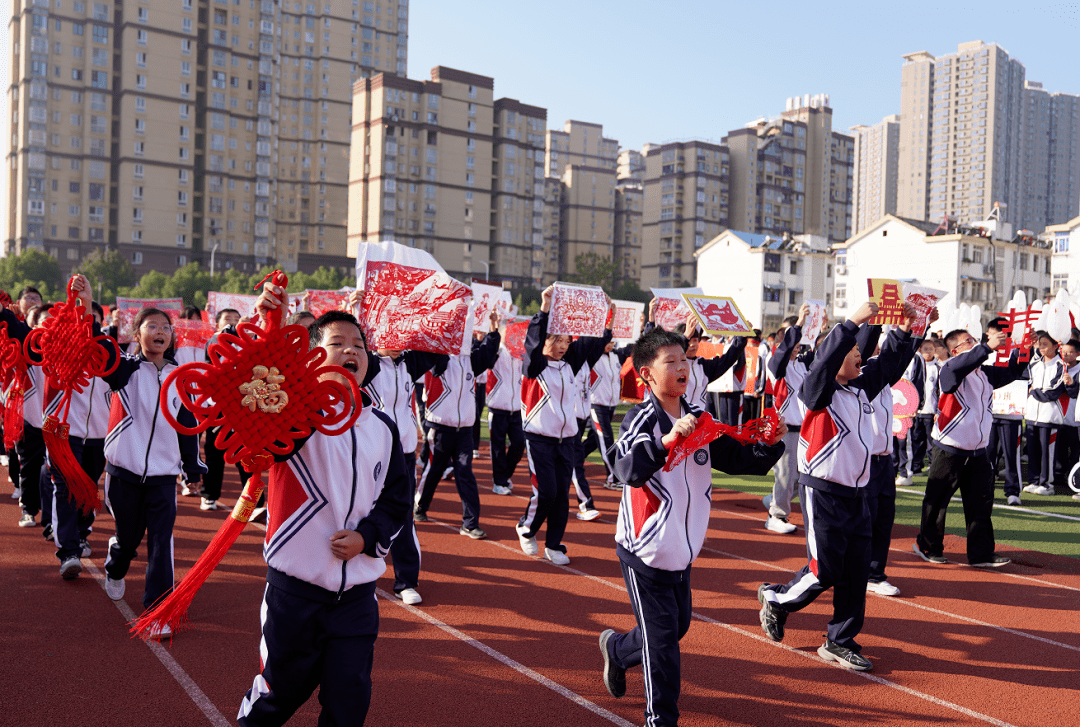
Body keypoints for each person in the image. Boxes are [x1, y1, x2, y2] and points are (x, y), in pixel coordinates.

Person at [238, 282, 410, 726]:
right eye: (336, 343)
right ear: (312, 357)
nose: (351, 349)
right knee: (278, 695)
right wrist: (265, 325)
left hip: (356, 597)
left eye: (358, 344)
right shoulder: (292, 412)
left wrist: (367, 538)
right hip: (295, 592)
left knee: (349, 701)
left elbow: (396, 500)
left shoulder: (383, 427)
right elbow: (252, 394)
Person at [599, 326, 785, 727]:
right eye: (672, 362)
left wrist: (770, 444)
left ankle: (617, 651)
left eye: (685, 359)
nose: (683, 367)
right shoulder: (640, 419)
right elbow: (622, 468)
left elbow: (738, 460)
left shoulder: (699, 418)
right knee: (663, 643)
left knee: (674, 628)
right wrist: (664, 442)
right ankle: (660, 720)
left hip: (682, 551)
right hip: (644, 551)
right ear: (647, 374)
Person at [758, 301, 916, 672]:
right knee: (824, 569)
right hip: (823, 491)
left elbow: (890, 364)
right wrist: (851, 323)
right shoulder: (817, 391)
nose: (861, 356)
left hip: (857, 494)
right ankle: (778, 600)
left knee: (857, 571)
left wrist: (907, 328)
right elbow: (824, 362)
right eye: (854, 351)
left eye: (861, 351)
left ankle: (840, 640)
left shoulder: (861, 390)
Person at [97, 305, 207, 631]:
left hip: (163, 476)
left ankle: (158, 611)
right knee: (128, 539)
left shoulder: (181, 376)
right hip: (123, 473)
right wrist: (87, 313)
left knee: (161, 541)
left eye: (165, 327)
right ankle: (116, 563)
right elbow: (102, 357)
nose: (160, 332)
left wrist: (192, 469)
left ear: (172, 336)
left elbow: (187, 427)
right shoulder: (124, 370)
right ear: (137, 334)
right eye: (152, 326)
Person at [913, 325, 1026, 567]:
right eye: (968, 342)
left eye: (974, 340)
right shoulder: (949, 369)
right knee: (937, 502)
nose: (974, 343)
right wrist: (985, 347)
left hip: (978, 452)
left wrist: (1023, 347)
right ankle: (927, 545)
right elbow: (957, 370)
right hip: (950, 449)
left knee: (980, 506)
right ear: (955, 351)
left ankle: (981, 554)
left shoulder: (984, 373)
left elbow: (1014, 371)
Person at [517, 286, 612, 565]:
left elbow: (594, 341)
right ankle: (527, 526)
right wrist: (545, 309)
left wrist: (601, 312)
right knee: (545, 491)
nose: (561, 346)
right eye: (555, 339)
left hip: (567, 439)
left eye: (566, 340)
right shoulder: (533, 365)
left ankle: (554, 544)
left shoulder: (570, 364)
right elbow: (533, 342)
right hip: (539, 439)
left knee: (561, 495)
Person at [361, 334, 441, 607]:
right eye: (390, 334)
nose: (397, 341)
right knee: (361, 514)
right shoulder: (368, 363)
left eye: (401, 334)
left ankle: (406, 581)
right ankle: (358, 580)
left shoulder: (409, 362)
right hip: (371, 452)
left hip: (404, 454)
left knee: (404, 516)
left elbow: (437, 346)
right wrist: (359, 312)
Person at [413, 312, 500, 539]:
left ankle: (470, 523)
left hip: (464, 430)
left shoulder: (470, 359)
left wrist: (493, 331)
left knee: (465, 472)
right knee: (433, 470)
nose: (461, 335)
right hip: (440, 426)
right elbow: (431, 346)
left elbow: (488, 352)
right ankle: (420, 506)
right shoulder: (439, 358)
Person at [763, 305, 816, 534]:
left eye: (797, 343)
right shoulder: (776, 364)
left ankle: (776, 498)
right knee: (786, 473)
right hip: (785, 429)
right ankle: (776, 515)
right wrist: (800, 323)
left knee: (803, 476)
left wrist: (818, 328)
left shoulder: (802, 364)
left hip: (805, 429)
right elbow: (783, 353)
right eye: (790, 343)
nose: (795, 347)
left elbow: (822, 353)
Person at [195, 307, 246, 510]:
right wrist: (231, 329)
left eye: (236, 319)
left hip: (243, 408)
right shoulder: (213, 340)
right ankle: (209, 495)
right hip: (218, 407)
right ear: (217, 324)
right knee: (214, 453)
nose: (233, 322)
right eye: (227, 319)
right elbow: (220, 341)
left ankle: (253, 501)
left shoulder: (246, 342)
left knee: (245, 454)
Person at [1022, 332, 1072, 497]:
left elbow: (1052, 393)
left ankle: (1047, 483)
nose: (1041, 347)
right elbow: (1025, 381)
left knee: (1047, 452)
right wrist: (1033, 391)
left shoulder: (1060, 365)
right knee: (1033, 450)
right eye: (1040, 344)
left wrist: (1034, 392)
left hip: (1049, 416)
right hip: (1031, 414)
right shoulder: (1034, 363)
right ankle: (1034, 480)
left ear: (1056, 346)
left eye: (1045, 344)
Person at [583, 339, 633, 490]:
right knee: (606, 439)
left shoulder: (616, 356)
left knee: (593, 440)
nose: (610, 345)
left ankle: (571, 462)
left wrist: (643, 326)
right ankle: (613, 477)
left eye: (612, 342)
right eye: (607, 341)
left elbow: (634, 345)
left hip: (610, 405)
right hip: (596, 404)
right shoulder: (592, 355)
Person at [486, 334, 525, 496]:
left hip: (516, 409)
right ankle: (499, 482)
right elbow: (487, 360)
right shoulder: (497, 352)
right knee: (498, 447)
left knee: (519, 443)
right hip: (498, 408)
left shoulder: (521, 355)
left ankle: (505, 475)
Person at [896, 339, 937, 485]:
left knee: (905, 441)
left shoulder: (915, 357)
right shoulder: (889, 352)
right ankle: (892, 471)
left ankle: (905, 473)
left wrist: (915, 405)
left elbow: (918, 382)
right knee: (891, 443)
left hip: (906, 407)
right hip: (889, 406)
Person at [570, 363, 601, 521]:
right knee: (576, 463)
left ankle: (551, 500)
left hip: (582, 416)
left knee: (571, 461)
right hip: (568, 418)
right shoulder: (568, 361)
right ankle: (586, 504)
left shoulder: (587, 361)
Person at [1053, 339, 1080, 491]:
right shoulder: (1059, 367)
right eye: (1064, 352)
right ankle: (1058, 478)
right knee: (1059, 450)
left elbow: (1074, 393)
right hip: (1059, 417)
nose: (1066, 355)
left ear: (1078, 354)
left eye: (1070, 352)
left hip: (1075, 419)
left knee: (1075, 451)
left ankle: (1074, 478)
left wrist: (1071, 383)